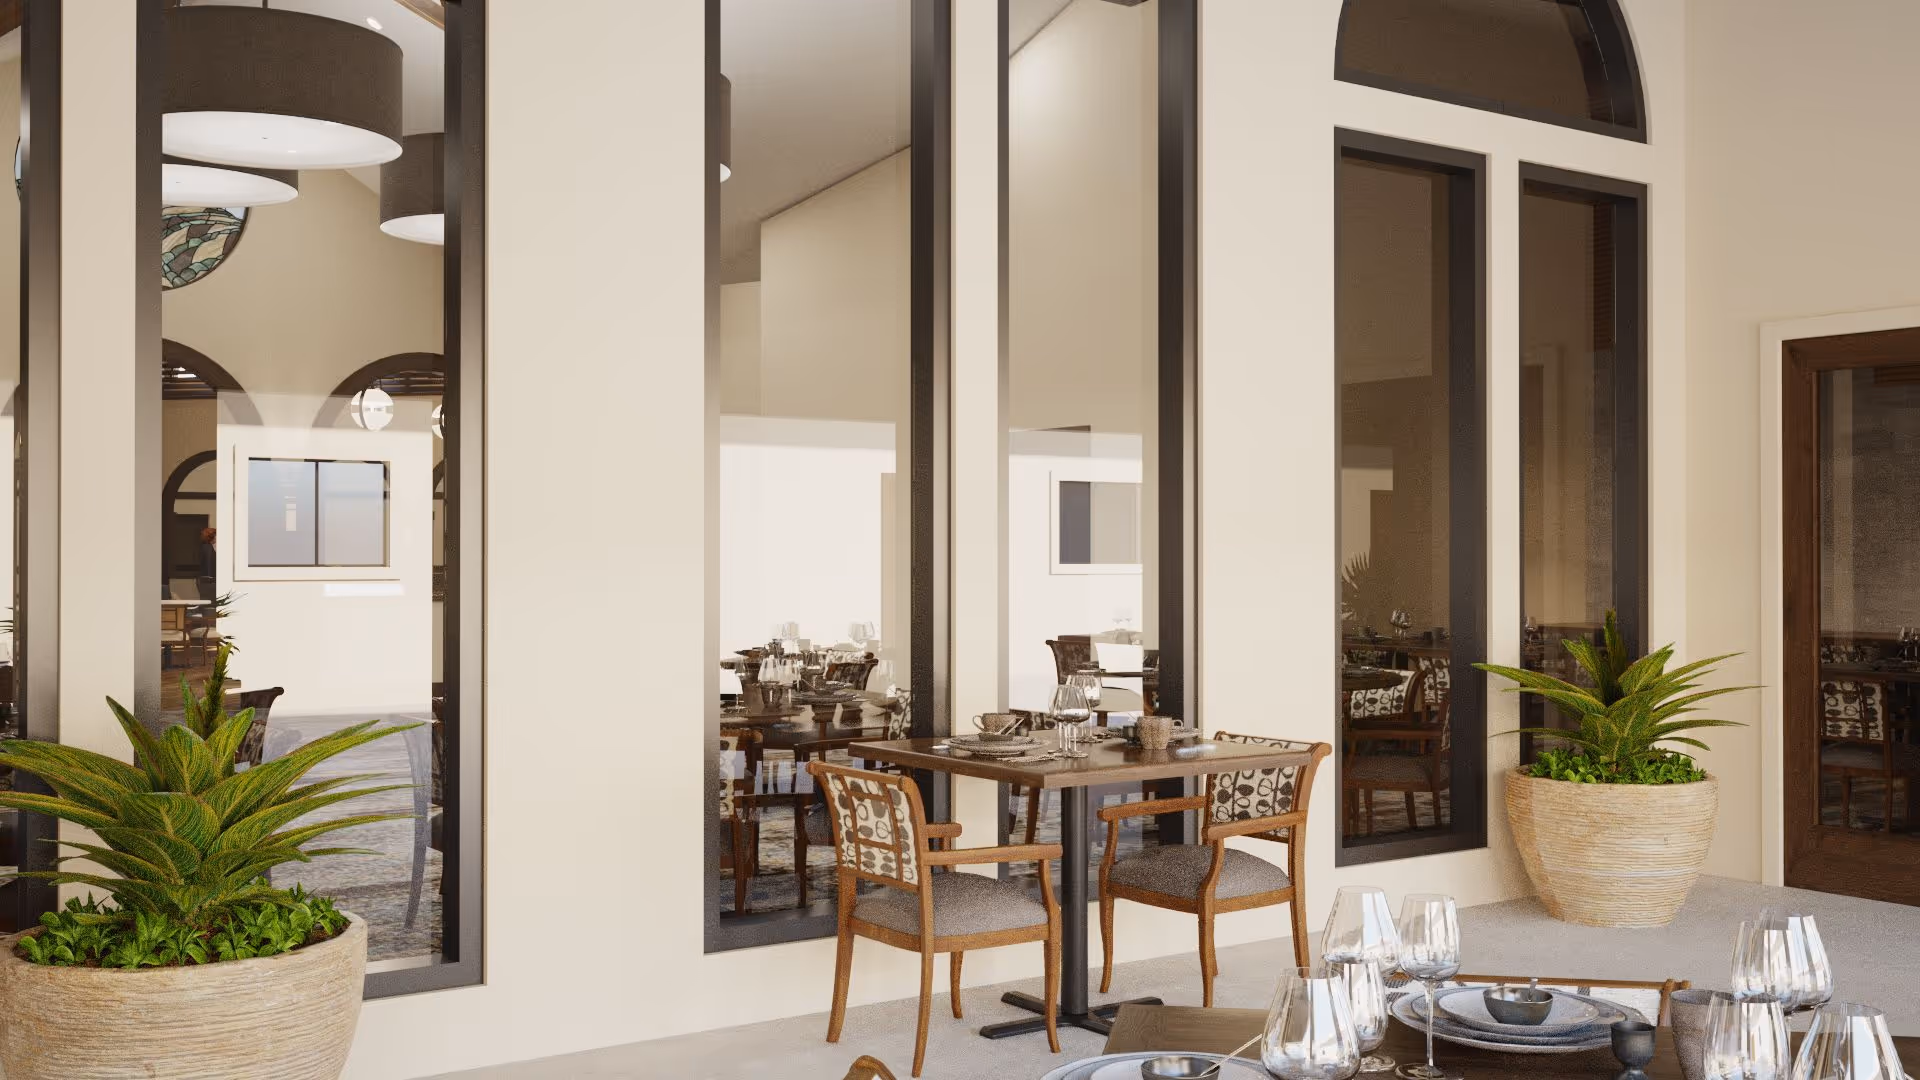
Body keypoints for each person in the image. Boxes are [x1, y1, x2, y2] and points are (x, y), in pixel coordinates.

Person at [197, 526, 217, 601]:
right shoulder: (206, 548)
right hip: (209, 581)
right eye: (215, 536)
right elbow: (207, 566)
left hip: (209, 580)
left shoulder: (207, 547)